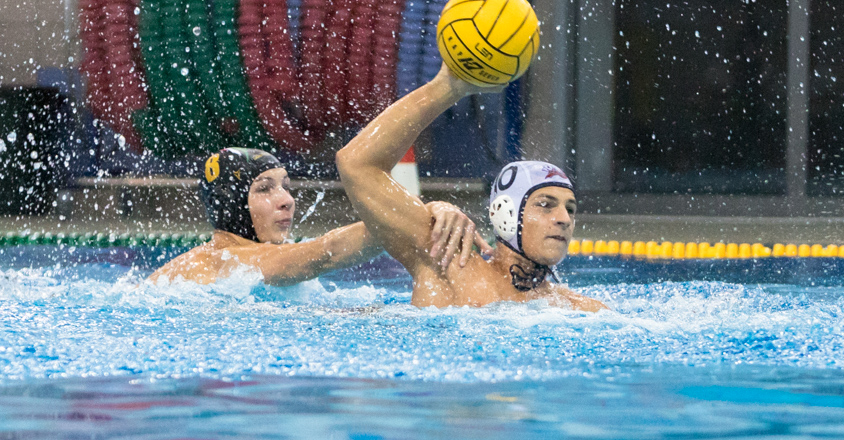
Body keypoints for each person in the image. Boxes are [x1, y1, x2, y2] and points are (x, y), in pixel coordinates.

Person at [334, 66, 603, 311]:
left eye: (570, 209)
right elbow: (356, 164)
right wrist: (448, 87)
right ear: (506, 214)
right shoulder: (447, 261)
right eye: (545, 205)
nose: (564, 219)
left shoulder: (582, 309)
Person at [151, 147, 489, 287]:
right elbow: (327, 251)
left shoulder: (224, 263)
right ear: (232, 205)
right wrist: (422, 213)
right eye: (265, 188)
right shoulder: (228, 262)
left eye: (285, 186)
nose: (286, 201)